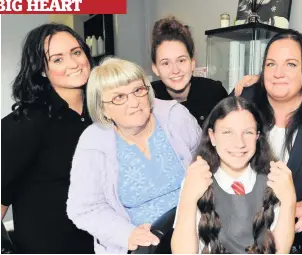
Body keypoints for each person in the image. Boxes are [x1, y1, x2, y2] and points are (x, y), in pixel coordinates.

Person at [66, 57, 201, 254]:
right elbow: (84, 208)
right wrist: (126, 234)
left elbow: (207, 162)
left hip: (194, 232)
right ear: (103, 108)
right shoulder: (93, 143)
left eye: (138, 90)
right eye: (119, 97)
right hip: (141, 248)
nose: (134, 103)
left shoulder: (175, 116)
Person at [233, 29, 302, 232]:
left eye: (291, 64)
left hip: (296, 232)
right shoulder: (241, 103)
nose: (278, 73)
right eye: (271, 64)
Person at [1, 23, 95, 253]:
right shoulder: (23, 124)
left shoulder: (103, 112)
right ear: (42, 70)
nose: (73, 64)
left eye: (76, 52)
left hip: (102, 244)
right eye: (57, 59)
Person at [172, 96, 296, 254]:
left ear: (258, 137)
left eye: (248, 132)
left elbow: (280, 251)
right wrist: (188, 199)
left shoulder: (275, 179)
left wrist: (289, 202)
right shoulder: (197, 180)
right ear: (212, 137)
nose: (239, 143)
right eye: (227, 132)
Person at [150, 16, 256, 127]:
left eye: (181, 60)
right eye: (166, 63)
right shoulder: (148, 98)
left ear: (192, 63)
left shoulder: (214, 92)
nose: (175, 70)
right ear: (155, 68)